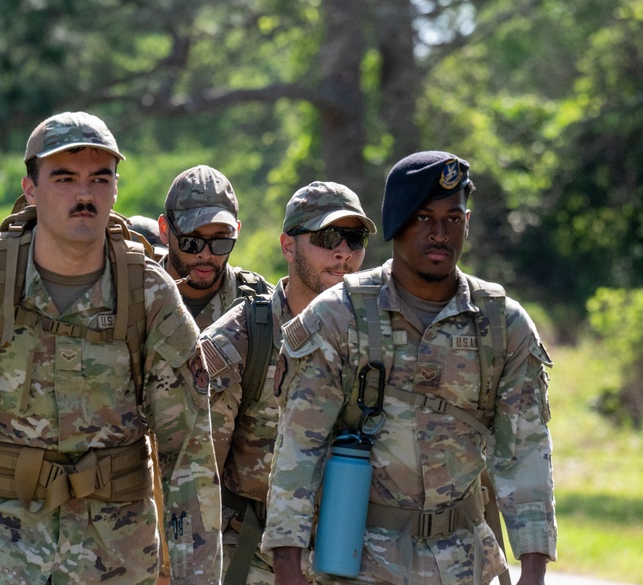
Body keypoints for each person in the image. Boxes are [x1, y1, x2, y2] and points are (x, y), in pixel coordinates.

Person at [0, 111, 221, 585]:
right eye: (65, 178)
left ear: (115, 190)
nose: (85, 194)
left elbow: (188, 457)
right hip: (2, 550)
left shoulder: (149, 295)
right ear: (31, 188)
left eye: (99, 179)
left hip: (117, 554)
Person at [263, 152, 556, 585]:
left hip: (465, 564)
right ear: (398, 221)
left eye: (452, 219)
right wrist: (287, 565)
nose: (439, 234)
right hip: (359, 561)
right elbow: (298, 451)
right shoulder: (340, 318)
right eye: (423, 218)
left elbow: (525, 453)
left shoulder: (502, 324)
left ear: (467, 222)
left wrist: (533, 570)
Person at [197, 182, 375, 584]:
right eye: (327, 237)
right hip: (254, 559)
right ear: (288, 246)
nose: (343, 252)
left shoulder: (379, 339)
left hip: (354, 556)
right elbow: (197, 475)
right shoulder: (241, 339)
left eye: (354, 238)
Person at [158, 165, 269, 330]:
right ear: (165, 230)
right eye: (192, 242)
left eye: (220, 241)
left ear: (236, 232)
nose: (206, 254)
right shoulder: (134, 300)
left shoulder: (264, 305)